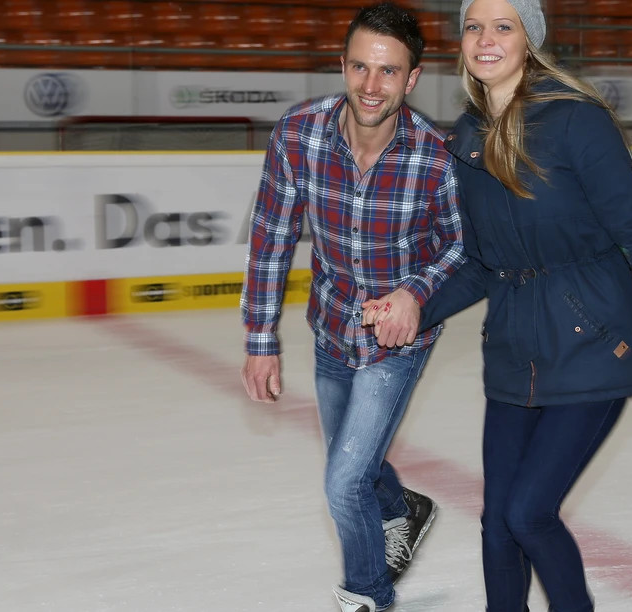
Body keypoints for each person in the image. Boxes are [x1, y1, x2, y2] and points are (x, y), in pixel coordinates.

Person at [362, 0, 632, 609]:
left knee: (529, 512)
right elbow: (482, 263)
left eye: (503, 26)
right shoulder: (466, 135)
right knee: (497, 523)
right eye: (473, 26)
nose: (485, 39)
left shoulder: (575, 122)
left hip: (593, 341)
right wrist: (414, 303)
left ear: (529, 40)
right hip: (515, 348)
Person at [238, 3, 465, 611]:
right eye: (360, 68)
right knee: (355, 467)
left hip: (399, 342)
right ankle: (403, 508)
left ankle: (367, 596)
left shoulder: (436, 159)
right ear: (342, 65)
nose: (371, 86)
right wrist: (260, 340)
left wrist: (415, 291)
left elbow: (466, 247)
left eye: (388, 72)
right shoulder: (298, 135)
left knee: (342, 482)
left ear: (412, 79)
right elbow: (270, 241)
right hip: (332, 327)